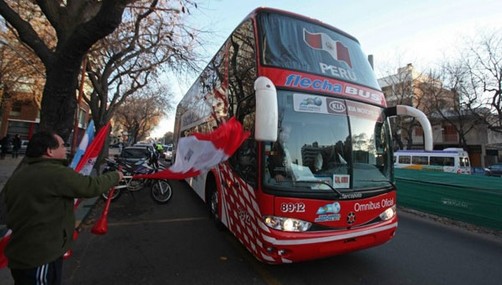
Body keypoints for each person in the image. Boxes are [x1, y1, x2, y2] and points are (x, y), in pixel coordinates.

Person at [3, 131, 124, 285]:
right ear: (49, 151)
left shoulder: (20, 174)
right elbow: (90, 187)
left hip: (22, 252)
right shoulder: (55, 173)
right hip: (40, 256)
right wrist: (115, 176)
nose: (65, 149)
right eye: (62, 145)